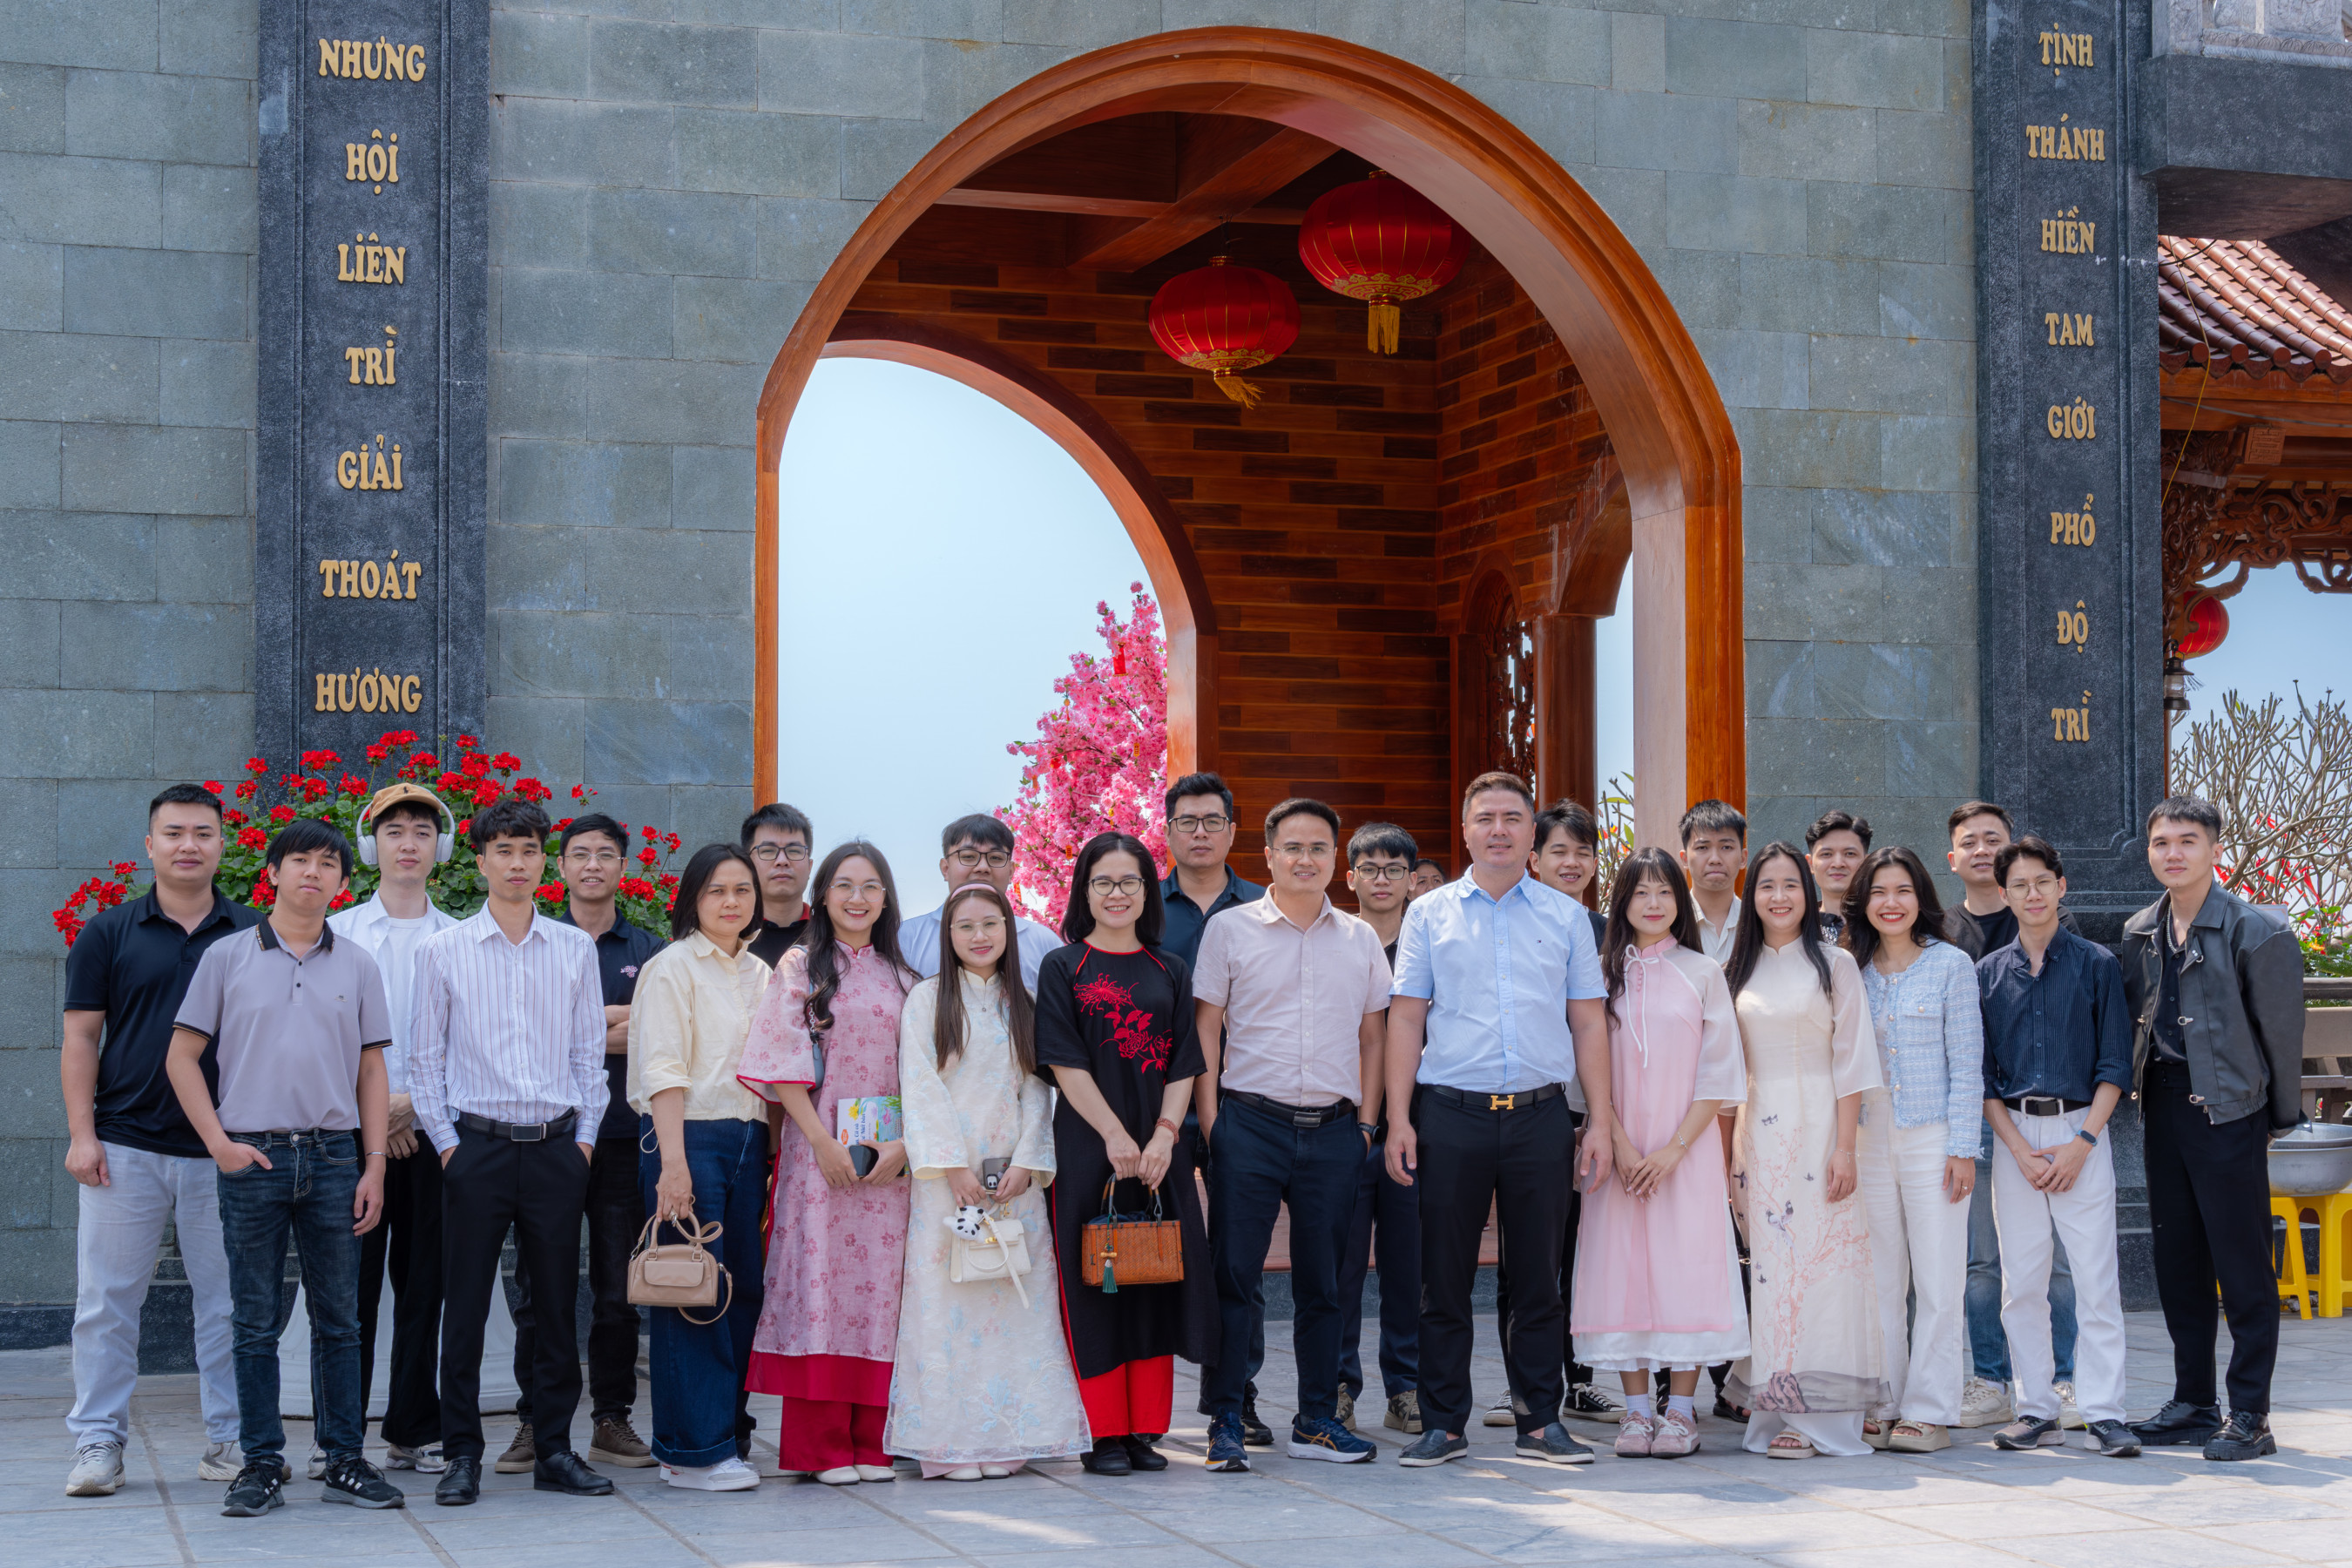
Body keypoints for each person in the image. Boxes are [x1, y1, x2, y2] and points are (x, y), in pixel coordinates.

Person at [165, 817, 402, 1516]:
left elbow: (371, 1069)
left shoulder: (358, 963)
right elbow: (182, 1056)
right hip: (252, 1156)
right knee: (254, 1321)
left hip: (333, 1157)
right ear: (272, 872)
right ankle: (261, 1463)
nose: (312, 873)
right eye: (299, 860)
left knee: (341, 1321)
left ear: (343, 881)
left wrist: (374, 1164)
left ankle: (345, 1459)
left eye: (327, 864)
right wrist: (219, 1143)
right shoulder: (227, 956)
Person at [1383, 771, 1606, 1469]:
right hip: (1450, 1115)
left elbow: (1588, 1023)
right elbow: (1406, 1018)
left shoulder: (1566, 917)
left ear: (1531, 832)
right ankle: (1443, 1424)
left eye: (1513, 817)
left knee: (1538, 1277)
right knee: (1443, 1277)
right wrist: (1399, 1119)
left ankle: (1540, 1421)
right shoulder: (1429, 914)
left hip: (1541, 1116)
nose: (1499, 830)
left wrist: (1600, 1121)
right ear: (1466, 830)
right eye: (1486, 818)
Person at [409, 798, 614, 1505]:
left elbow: (589, 1057)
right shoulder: (443, 951)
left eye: (529, 850)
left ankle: (553, 1448)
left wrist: (584, 1142)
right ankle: (462, 1452)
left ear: (544, 861)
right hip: (477, 1150)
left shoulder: (574, 949)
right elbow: (424, 1061)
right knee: (464, 1306)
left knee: (556, 1306)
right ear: (480, 861)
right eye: (503, 850)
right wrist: (448, 1148)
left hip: (557, 1149)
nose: (517, 863)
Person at [60, 784, 256, 1497]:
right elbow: (81, 1038)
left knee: (228, 1306)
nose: (188, 845)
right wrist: (82, 1135)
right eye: (174, 833)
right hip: (124, 1149)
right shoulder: (108, 932)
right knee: (106, 1304)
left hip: (223, 1153)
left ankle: (231, 1440)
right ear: (150, 845)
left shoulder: (253, 934)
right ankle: (98, 1443)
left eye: (202, 833)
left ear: (223, 844)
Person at [1196, 799, 1391, 1473]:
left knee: (1325, 1285)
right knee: (1234, 1277)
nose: (1305, 859)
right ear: (1269, 856)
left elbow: (1374, 1036)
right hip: (1249, 1125)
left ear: (1335, 858)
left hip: (1335, 1132)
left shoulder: (1360, 939)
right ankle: (1225, 1418)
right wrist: (1213, 1123)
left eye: (1318, 848)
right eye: (1292, 847)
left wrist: (1366, 1124)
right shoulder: (1229, 930)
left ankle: (1316, 1419)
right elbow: (1206, 1029)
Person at [886, 882, 1089, 1479]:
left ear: (1008, 930)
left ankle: (1010, 1438)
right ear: (947, 936)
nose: (979, 936)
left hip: (1012, 1183)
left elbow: (1037, 1089)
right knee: (947, 1301)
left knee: (1013, 1297)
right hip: (945, 1182)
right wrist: (952, 1167)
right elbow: (919, 1087)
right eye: (965, 926)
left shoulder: (1024, 1000)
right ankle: (948, 1443)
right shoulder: (926, 1000)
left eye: (990, 924)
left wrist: (1027, 1162)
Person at [2123, 796, 2303, 1462]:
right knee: (2178, 1263)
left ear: (2215, 850)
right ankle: (2194, 1403)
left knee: (2242, 1264)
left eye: (2187, 841)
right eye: (2161, 842)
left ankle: (2251, 1413)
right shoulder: (2141, 930)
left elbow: (2281, 1036)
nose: (2173, 853)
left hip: (2231, 1112)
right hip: (2163, 1106)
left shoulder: (2257, 930)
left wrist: (2275, 1118)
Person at [1035, 833, 1213, 1477]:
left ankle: (1144, 1431)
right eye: (1103, 882)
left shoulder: (1170, 969)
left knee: (1156, 1279)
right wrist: (1114, 1135)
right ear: (1084, 892)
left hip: (1161, 1150)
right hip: (1089, 1146)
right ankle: (1103, 1433)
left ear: (1147, 891)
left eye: (1130, 882)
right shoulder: (1064, 966)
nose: (1117, 894)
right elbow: (1063, 1060)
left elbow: (1185, 1061)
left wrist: (1165, 1134)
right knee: (1098, 1282)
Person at [736, 841, 915, 1484]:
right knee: (819, 1287)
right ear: (824, 895)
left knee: (882, 1293)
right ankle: (821, 1448)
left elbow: (928, 1073)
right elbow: (780, 1063)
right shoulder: (798, 966)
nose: (857, 898)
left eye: (870, 886)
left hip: (890, 1165)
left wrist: (906, 1146)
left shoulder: (906, 977)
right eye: (844, 885)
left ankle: (873, 1441)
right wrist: (820, 1143)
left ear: (886, 899)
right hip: (819, 1159)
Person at [1572, 851, 1748, 1460]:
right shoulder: (1599, 975)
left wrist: (1675, 1151)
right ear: (1621, 901)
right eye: (1640, 892)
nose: (1653, 903)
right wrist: (1619, 1143)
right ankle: (1637, 1410)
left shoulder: (1704, 972)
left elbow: (1720, 1072)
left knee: (1685, 1269)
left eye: (1665, 892)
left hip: (1686, 1153)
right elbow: (1586, 1066)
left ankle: (1680, 1411)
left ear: (1681, 900)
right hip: (1617, 1152)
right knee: (1622, 1269)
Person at [1976, 837, 2139, 1459]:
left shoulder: (2097, 964)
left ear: (2061, 886)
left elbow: (2115, 1065)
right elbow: (1984, 1078)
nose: (2033, 894)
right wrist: (2018, 1149)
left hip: (2081, 1133)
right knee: (2022, 1283)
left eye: (2043, 881)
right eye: (2020, 885)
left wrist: (2082, 1143)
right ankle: (2037, 1409)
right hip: (2016, 1138)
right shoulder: (1989, 974)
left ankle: (2104, 1411)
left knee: (2095, 1279)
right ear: (2005, 894)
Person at [1722, 843, 1886, 1458]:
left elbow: (1854, 1062)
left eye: (1790, 884)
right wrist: (1729, 1157)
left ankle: (1825, 1417)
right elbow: (1726, 1072)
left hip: (1821, 1130)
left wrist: (1845, 1148)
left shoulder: (1835, 966)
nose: (1779, 896)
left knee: (1826, 1271)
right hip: (1759, 1139)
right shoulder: (1735, 970)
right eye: (1767, 885)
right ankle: (1778, 1407)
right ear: (1753, 895)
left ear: (1809, 892)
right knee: (1773, 1274)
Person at [513, 813, 662, 1475]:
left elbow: (659, 1035)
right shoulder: (536, 943)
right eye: (580, 854)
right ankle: (534, 1420)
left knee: (615, 1289)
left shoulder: (651, 950)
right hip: (547, 1136)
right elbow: (524, 1033)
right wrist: (606, 1027)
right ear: (561, 866)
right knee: (538, 1287)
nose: (593, 864)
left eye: (606, 854)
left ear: (623, 867)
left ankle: (611, 1418)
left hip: (624, 1138)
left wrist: (576, 1027)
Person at [627, 842, 773, 1490]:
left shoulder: (761, 974)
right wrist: (675, 1166)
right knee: (690, 1291)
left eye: (742, 890)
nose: (731, 902)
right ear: (693, 898)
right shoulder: (672, 967)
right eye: (716, 890)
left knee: (740, 1292)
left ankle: (724, 1436)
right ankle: (691, 1453)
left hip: (749, 1137)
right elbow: (662, 1069)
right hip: (686, 1137)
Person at [329, 784, 462, 1474]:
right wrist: (379, 1116)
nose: (408, 843)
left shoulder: (462, 937)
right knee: (347, 1289)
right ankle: (339, 1434)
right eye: (393, 831)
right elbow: (320, 1036)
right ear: (370, 844)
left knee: (424, 1286)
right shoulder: (339, 933)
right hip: (351, 1138)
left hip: (435, 1134)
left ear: (442, 847)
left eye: (421, 831)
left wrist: (416, 1107)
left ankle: (414, 1425)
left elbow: (474, 1042)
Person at [1941, 800, 2080, 1429]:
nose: (1981, 849)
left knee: (2057, 1259)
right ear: (1953, 858)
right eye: (1969, 841)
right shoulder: (1941, 929)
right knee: (1981, 1260)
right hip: (1974, 1112)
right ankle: (1991, 1379)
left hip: (2046, 1113)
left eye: (1992, 838)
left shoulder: (2049, 920)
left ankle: (2065, 1378)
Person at [1488, 800, 1617, 1432]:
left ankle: (1579, 1382)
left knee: (1581, 1256)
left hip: (1592, 1115)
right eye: (1558, 851)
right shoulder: (1510, 923)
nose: (1572, 863)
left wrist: (1604, 1117)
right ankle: (1520, 1385)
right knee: (1527, 1257)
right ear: (1534, 859)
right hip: (1535, 1111)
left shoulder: (1609, 932)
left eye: (1583, 853)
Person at [1848, 845, 1981, 1455]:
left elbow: (1968, 1063)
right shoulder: (1851, 971)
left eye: (1902, 890)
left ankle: (1929, 1410)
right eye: (1879, 892)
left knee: (1938, 1278)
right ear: (1864, 902)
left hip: (1935, 1140)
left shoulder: (1951, 965)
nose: (1891, 903)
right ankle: (1884, 1403)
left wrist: (1962, 1147)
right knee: (1878, 1279)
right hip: (1868, 1140)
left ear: (1921, 897)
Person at [1159, 772, 1271, 1446]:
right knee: (1147, 1252)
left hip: (1245, 1107)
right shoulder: (1142, 908)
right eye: (1186, 821)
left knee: (1239, 1263)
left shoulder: (1266, 906)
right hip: (1158, 1113)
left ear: (1232, 830)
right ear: (1167, 831)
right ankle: (1141, 1410)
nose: (1199, 833)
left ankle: (1235, 1397)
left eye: (1211, 821)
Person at [1336, 822, 1423, 1436]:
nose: (1383, 880)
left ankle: (1406, 1389)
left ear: (1412, 879)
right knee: (1340, 1265)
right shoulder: (1336, 942)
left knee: (1408, 1265)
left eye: (1395, 869)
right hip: (1346, 1126)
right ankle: (1339, 1385)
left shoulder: (1431, 943)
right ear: (1351, 879)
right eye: (1370, 868)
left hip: (1417, 1127)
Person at [896, 814, 1060, 991]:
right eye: (968, 856)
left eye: (996, 858)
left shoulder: (1044, 942)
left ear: (1011, 871)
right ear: (945, 868)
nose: (982, 867)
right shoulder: (906, 937)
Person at [741, 801, 814, 967]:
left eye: (794, 851)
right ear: (747, 864)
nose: (782, 861)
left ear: (810, 866)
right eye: (768, 851)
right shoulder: (729, 938)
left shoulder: (831, 937)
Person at [1678, 801, 1747, 963]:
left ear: (1743, 858)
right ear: (1685, 859)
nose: (1715, 859)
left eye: (1726, 847)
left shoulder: (1759, 924)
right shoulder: (1669, 924)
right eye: (1702, 848)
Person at [1804, 810, 1870, 945]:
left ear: (1867, 862)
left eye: (1850, 853)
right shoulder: (1796, 929)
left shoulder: (1882, 926)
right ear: (1810, 864)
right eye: (1826, 854)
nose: (1838, 863)